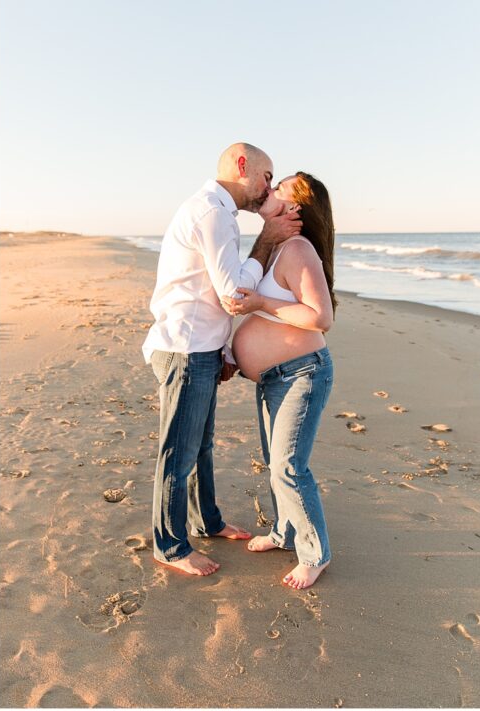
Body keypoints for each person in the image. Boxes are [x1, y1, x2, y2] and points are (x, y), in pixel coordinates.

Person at [141, 143, 301, 577]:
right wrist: (267, 240)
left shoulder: (219, 213)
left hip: (202, 345)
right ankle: (170, 546)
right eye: (267, 177)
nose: (268, 187)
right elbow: (233, 295)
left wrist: (225, 349)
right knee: (179, 452)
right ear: (242, 165)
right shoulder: (210, 212)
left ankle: (205, 520)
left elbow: (214, 294)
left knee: (202, 447)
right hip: (184, 348)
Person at [222, 172, 335, 590]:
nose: (268, 193)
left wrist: (261, 301)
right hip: (276, 377)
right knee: (276, 466)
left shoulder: (299, 249)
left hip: (302, 373)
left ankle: (315, 553)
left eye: (278, 189)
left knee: (288, 467)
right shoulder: (280, 249)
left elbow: (320, 317)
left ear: (295, 208)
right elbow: (266, 315)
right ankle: (284, 532)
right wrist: (236, 352)